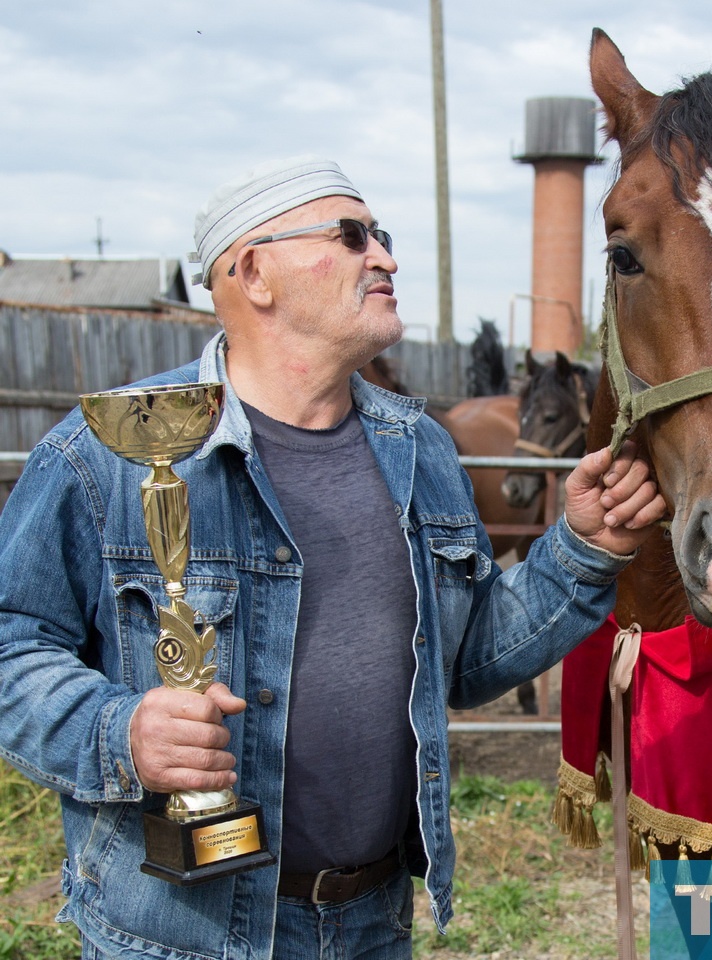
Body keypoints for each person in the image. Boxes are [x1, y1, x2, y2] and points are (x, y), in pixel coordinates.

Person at [0, 155, 665, 960]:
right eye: (351, 236)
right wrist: (121, 732)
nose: (384, 256)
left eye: (380, 235)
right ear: (254, 273)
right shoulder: (106, 454)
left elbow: (464, 656)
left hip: (370, 922)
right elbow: (11, 649)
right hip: (179, 933)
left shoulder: (419, 449)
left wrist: (584, 549)